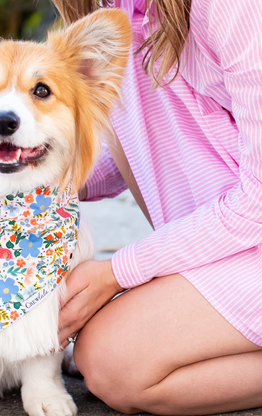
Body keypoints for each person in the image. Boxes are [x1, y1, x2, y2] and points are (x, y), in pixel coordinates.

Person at [53, 0, 262, 414]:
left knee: (113, 362)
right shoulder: (113, 8)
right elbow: (146, 138)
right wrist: (35, 179)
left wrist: (118, 272)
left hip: (251, 224)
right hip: (228, 238)